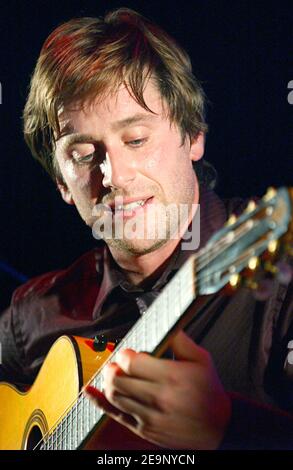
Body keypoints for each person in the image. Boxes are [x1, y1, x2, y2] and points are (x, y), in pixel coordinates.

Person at [0, 8, 292, 450]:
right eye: (82, 154)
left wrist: (229, 429)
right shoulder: (30, 316)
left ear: (193, 135)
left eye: (136, 139)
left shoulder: (283, 271)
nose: (114, 175)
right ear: (61, 181)